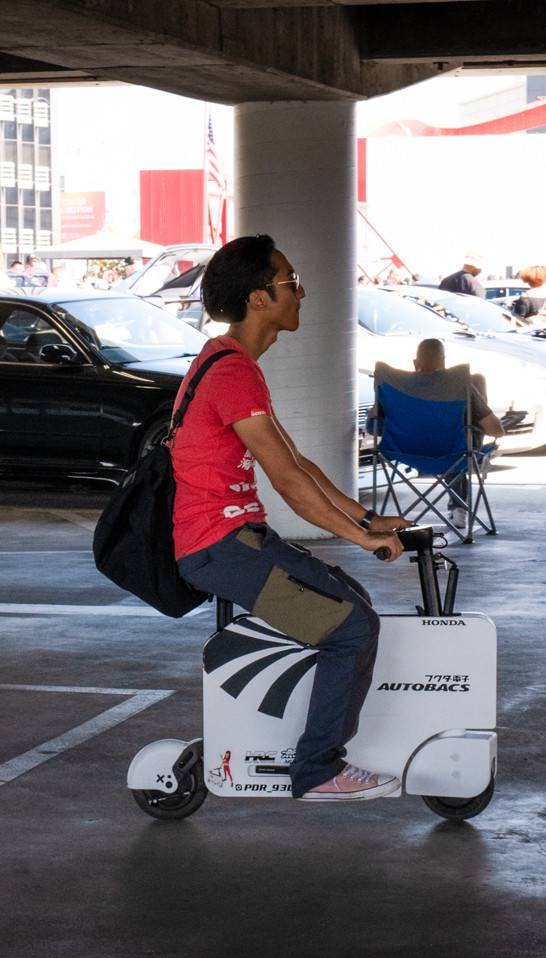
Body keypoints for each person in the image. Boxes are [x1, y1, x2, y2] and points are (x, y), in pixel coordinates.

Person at [171, 235, 412, 801]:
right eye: (290, 280)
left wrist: (368, 519)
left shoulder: (230, 364)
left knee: (350, 603)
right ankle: (318, 767)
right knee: (350, 626)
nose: (301, 291)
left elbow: (296, 461)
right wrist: (361, 539)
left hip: (233, 540)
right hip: (220, 547)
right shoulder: (232, 372)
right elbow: (287, 482)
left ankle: (296, 744)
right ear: (259, 299)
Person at [375, 338, 506, 531]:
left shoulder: (394, 386)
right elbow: (496, 431)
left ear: (415, 363)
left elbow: (373, 427)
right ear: (443, 361)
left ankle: (457, 503)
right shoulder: (460, 383)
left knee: (455, 442)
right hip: (453, 453)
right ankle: (459, 506)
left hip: (404, 451)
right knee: (460, 443)